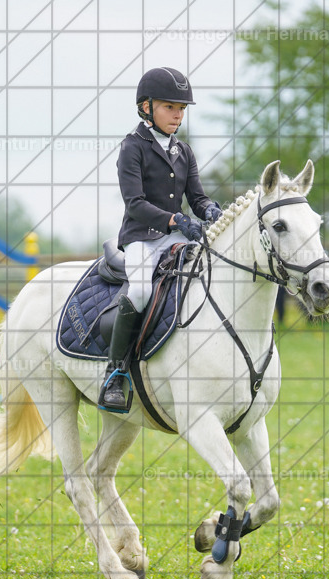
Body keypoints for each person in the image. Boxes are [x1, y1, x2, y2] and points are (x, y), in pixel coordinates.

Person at [98, 66, 222, 413]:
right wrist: (175, 219)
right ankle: (116, 372)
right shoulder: (131, 147)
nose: (178, 115)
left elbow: (196, 198)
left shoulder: (184, 151)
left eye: (181, 108)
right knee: (139, 291)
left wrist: (210, 210)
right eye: (170, 107)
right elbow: (135, 204)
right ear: (146, 107)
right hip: (141, 238)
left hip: (176, 238)